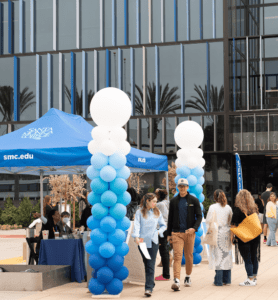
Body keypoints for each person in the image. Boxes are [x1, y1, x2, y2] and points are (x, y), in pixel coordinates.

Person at [167, 178, 202, 291]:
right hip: (177, 233)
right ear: (178, 187)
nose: (182, 188)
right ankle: (176, 280)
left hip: (189, 233)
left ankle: (187, 276)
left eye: (184, 186)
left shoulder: (193, 200)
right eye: (180, 186)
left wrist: (194, 228)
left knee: (188, 256)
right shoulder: (173, 201)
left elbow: (199, 216)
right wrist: (168, 233)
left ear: (187, 187)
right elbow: (170, 218)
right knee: (177, 256)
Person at [132, 193, 166, 297]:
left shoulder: (157, 211)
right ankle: (151, 283)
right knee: (146, 263)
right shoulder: (139, 212)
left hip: (153, 241)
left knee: (150, 264)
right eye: (154, 201)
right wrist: (136, 236)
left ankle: (148, 288)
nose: (156, 203)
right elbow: (137, 225)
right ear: (147, 201)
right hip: (142, 241)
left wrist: (158, 232)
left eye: (156, 201)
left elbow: (164, 225)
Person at [230, 189, 260, 286]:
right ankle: (254, 278)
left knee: (247, 258)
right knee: (254, 256)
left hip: (244, 237)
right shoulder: (254, 208)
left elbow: (233, 225)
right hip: (255, 236)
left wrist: (232, 237)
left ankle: (249, 279)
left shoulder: (238, 210)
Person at [206, 189, 233, 286]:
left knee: (218, 257)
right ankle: (227, 279)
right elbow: (231, 220)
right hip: (226, 232)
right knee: (226, 256)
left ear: (214, 197)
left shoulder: (212, 207)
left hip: (217, 232)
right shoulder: (228, 207)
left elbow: (208, 220)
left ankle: (218, 280)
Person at [154, 189, 171, 281]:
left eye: (156, 194)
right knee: (164, 251)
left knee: (163, 251)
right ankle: (166, 274)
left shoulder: (160, 205)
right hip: (166, 229)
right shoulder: (167, 203)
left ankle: (165, 275)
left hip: (161, 229)